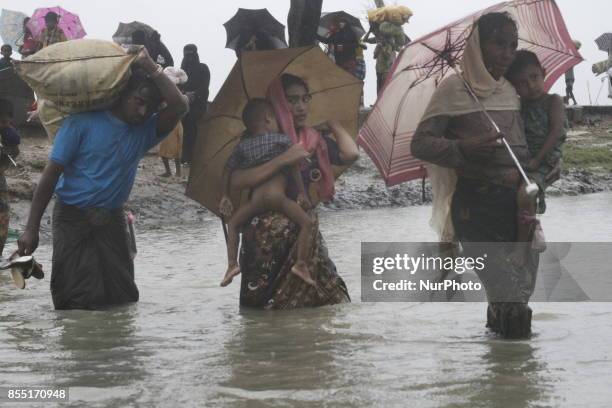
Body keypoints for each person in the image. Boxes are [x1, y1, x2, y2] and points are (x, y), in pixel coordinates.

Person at [16, 48, 189, 310]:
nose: (143, 112)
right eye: (139, 101)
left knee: (122, 297)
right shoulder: (81, 124)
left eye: (150, 107)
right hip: (71, 218)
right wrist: (31, 228)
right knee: (72, 297)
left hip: (112, 219)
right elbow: (50, 176)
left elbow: (180, 106)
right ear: (122, 94)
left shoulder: (143, 132)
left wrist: (152, 67)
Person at [411, 13, 549, 338]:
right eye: (499, 44)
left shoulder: (512, 90)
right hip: (476, 208)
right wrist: (464, 148)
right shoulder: (453, 90)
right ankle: (516, 374)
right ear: (478, 45)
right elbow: (420, 144)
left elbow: (531, 139)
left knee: (515, 292)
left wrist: (544, 170)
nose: (507, 53)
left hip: (517, 208)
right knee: (510, 295)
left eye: (512, 46)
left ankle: (500, 369)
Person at [229, 73, 359, 309]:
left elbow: (351, 155)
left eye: (304, 99)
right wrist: (282, 160)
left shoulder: (312, 140)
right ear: (276, 103)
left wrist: (333, 125)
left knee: (326, 304)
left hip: (304, 234)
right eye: (291, 100)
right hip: (266, 239)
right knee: (266, 309)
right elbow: (237, 180)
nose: (300, 107)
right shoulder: (259, 141)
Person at [219, 98, 314, 287]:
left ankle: (231, 265)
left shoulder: (242, 147)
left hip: (255, 202)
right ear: (269, 118)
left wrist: (225, 196)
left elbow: (227, 171)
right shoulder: (281, 140)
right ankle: (301, 264)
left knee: (233, 224)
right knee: (307, 223)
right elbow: (294, 165)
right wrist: (302, 192)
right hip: (277, 198)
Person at [505, 50, 566, 264]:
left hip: (545, 159)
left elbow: (556, 132)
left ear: (544, 73)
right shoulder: (518, 106)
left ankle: (522, 248)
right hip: (526, 159)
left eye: (534, 77)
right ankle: (530, 228)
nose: (530, 86)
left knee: (524, 194)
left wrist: (537, 160)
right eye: (522, 83)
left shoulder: (553, 101)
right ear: (513, 86)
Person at [180, 44, 210, 164]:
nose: (189, 58)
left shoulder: (203, 68)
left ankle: (193, 158)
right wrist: (184, 94)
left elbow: (205, 86)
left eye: (191, 54)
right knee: (185, 132)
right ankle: (185, 157)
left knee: (194, 132)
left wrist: (194, 94)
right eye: (187, 55)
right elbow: (178, 85)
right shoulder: (182, 71)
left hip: (198, 106)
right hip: (184, 105)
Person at [0, 99, 20, 256]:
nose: (4, 124)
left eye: (6, 121)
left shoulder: (9, 134)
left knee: (2, 225)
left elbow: (14, 153)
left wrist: (8, 151)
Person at [564, 41, 581, 105]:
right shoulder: (567, 64)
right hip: (567, 78)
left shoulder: (570, 62)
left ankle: (573, 102)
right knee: (567, 90)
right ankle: (568, 102)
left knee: (569, 89)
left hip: (570, 78)